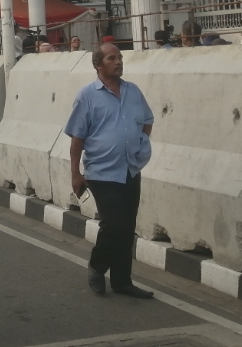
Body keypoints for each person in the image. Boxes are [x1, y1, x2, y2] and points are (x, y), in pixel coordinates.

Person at [65, 43, 155, 299]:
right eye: (111, 58)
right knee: (113, 224)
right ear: (98, 65)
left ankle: (122, 281)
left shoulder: (133, 91)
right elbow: (77, 139)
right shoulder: (87, 96)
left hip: (130, 169)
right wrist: (76, 173)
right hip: (101, 172)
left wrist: (140, 144)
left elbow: (147, 121)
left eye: (120, 57)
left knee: (127, 228)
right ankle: (97, 266)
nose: (118, 62)